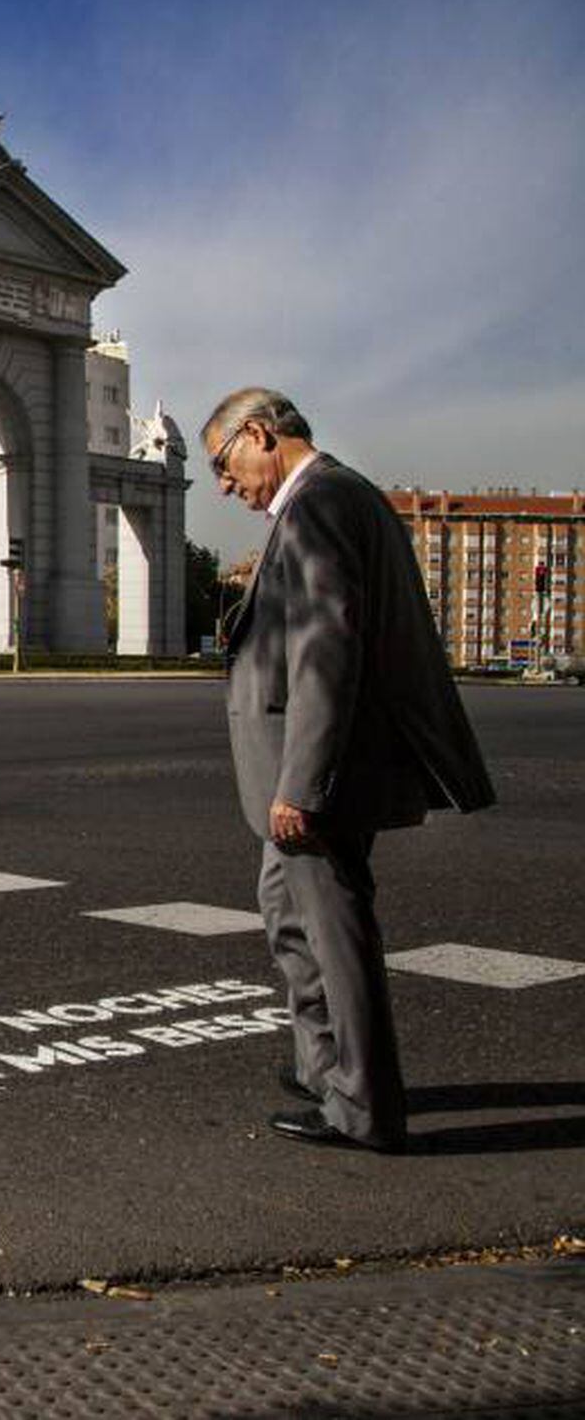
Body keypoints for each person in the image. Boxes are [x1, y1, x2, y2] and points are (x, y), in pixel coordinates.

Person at [201, 388, 494, 1154]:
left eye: (223, 466)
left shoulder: (320, 505)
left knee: (333, 931)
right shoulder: (337, 498)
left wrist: (301, 783)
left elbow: (326, 651)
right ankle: (322, 1066)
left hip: (317, 777)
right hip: (311, 772)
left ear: (258, 435)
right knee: (286, 911)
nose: (225, 487)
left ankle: (362, 1107)